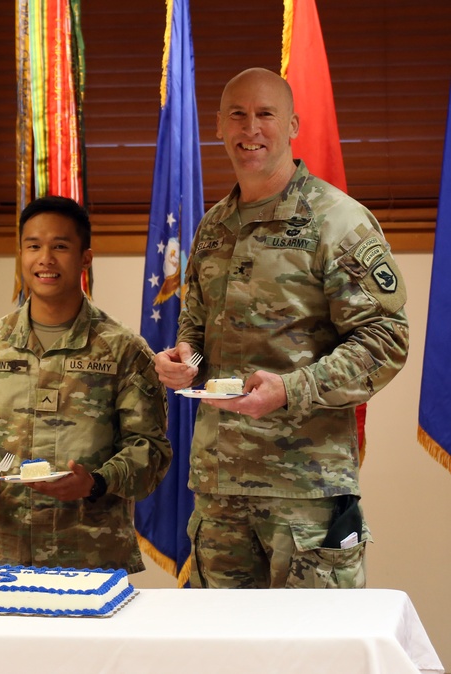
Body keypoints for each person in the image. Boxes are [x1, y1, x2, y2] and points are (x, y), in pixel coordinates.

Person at [154, 68, 409, 589]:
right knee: (221, 658)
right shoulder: (213, 226)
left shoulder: (337, 221)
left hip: (306, 495)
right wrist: (184, 361)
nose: (252, 128)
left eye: (266, 114)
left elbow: (386, 340)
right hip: (219, 489)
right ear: (219, 125)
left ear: (292, 125)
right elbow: (196, 327)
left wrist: (291, 390)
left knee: (316, 658)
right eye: (238, 115)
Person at [0, 196, 172, 570]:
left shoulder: (123, 350)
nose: (45, 259)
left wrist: (96, 482)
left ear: (85, 257)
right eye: (33, 246)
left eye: (60, 246)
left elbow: (150, 451)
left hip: (93, 556)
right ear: (21, 253)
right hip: (3, 556)